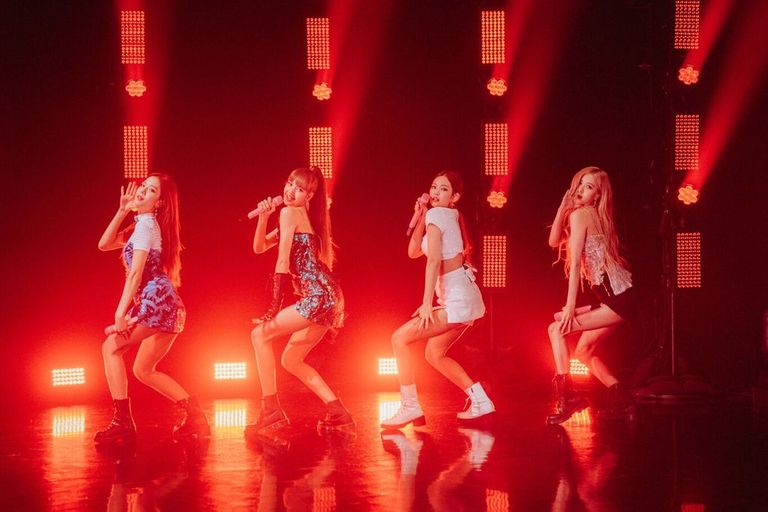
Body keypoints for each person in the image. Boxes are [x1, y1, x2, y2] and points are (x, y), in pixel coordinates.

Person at [95, 173, 209, 444]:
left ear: (159, 203)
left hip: (157, 301)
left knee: (110, 348)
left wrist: (120, 313)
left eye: (151, 190)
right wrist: (122, 210)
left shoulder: (146, 227)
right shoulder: (141, 226)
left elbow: (136, 274)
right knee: (143, 370)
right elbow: (104, 245)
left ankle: (122, 422)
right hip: (166, 303)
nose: (142, 191)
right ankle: (196, 416)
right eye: (143, 186)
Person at [381, 171, 495, 429]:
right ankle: (481, 400)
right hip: (464, 299)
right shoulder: (442, 215)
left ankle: (410, 407)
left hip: (457, 301)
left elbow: (433, 261)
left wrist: (426, 304)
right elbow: (413, 252)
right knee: (434, 354)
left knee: (399, 339)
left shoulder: (439, 215)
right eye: (434, 187)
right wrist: (421, 216)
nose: (435, 192)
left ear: (455, 197)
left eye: (443, 189)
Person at [246, 166, 352, 435]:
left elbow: (282, 261)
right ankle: (338, 413)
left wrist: (273, 307)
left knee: (259, 335)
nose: (291, 191)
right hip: (329, 296)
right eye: (289, 183)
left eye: (300, 189)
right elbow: (259, 247)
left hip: (317, 295)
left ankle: (271, 412)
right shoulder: (297, 215)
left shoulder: (289, 213)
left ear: (309, 196)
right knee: (291, 360)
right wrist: (263, 217)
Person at [546, 166, 635, 424]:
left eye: (589, 187)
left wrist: (570, 306)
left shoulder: (582, 215)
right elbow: (553, 241)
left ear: (597, 196)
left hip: (618, 299)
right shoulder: (586, 214)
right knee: (583, 351)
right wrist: (562, 207)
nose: (581, 191)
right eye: (580, 184)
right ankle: (623, 398)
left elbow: (575, 264)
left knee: (556, 329)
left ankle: (568, 399)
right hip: (616, 298)